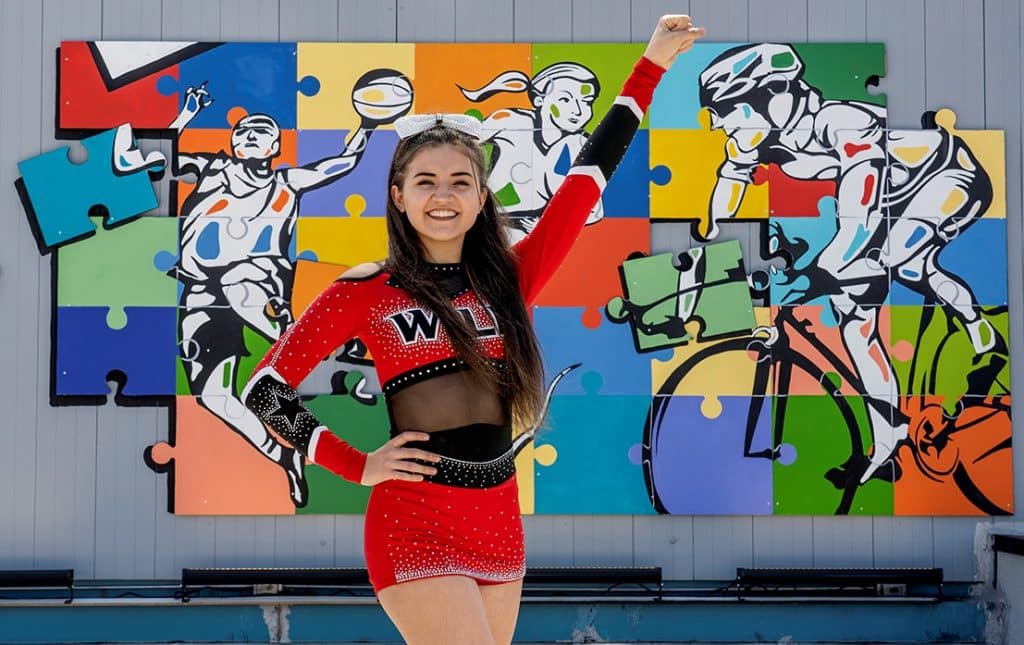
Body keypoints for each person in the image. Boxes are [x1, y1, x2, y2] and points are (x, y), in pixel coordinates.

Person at [241, 16, 703, 644]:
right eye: (425, 182)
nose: (443, 196)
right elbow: (265, 389)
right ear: (398, 196)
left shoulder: (511, 278)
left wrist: (650, 66)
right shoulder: (364, 288)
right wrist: (356, 466)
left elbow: (589, 176)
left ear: (482, 198)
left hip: (497, 518)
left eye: (461, 182)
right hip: (413, 521)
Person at [699, 43, 998, 484]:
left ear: (773, 94)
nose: (719, 124)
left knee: (895, 259)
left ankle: (975, 327)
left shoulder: (841, 122)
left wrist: (826, 269)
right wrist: (709, 228)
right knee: (860, 320)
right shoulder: (758, 138)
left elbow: (861, 212)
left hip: (947, 176)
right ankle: (890, 438)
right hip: (888, 202)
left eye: (726, 110)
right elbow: (730, 180)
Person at [171, 74, 409, 507]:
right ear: (235, 144)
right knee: (214, 395)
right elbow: (167, 162)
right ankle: (284, 455)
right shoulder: (211, 170)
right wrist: (185, 116)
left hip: (255, 285)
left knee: (287, 350)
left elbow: (343, 162)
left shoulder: (288, 184)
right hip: (201, 295)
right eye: (243, 130)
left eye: (262, 131)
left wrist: (367, 125)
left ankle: (352, 359)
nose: (250, 134)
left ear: (275, 149)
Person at [460, 61, 603, 241]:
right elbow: (457, 147)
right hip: (489, 229)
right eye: (565, 99)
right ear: (539, 99)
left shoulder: (580, 145)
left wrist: (548, 225)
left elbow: (595, 210)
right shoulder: (509, 121)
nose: (578, 110)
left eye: (587, 101)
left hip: (532, 239)